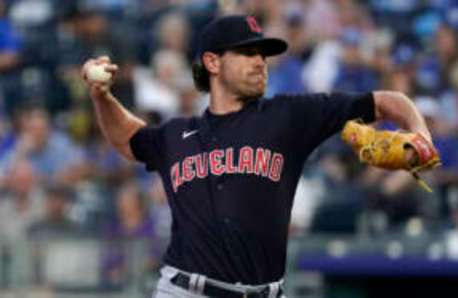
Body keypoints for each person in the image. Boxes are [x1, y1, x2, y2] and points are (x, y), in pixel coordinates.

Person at [82, 15, 434, 298]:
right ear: (212, 62)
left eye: (263, 55)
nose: (260, 62)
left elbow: (386, 101)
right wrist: (101, 97)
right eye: (248, 53)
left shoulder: (289, 116)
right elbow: (129, 139)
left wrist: (421, 135)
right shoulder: (176, 135)